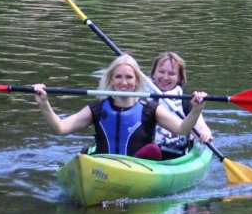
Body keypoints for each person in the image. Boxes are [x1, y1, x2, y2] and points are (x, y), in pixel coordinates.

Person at [33, 54, 207, 160]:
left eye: (129, 77)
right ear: (111, 80)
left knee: (154, 150)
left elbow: (182, 129)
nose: (123, 82)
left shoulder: (150, 109)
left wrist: (196, 109)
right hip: (103, 168)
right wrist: (44, 104)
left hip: (140, 171)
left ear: (137, 81)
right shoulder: (97, 109)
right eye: (118, 77)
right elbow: (60, 128)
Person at [149, 51, 214, 160]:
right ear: (153, 73)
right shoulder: (140, 96)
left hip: (178, 156)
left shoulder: (186, 100)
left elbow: (201, 126)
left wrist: (205, 133)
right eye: (161, 72)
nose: (165, 77)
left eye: (171, 73)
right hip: (146, 155)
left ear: (179, 77)